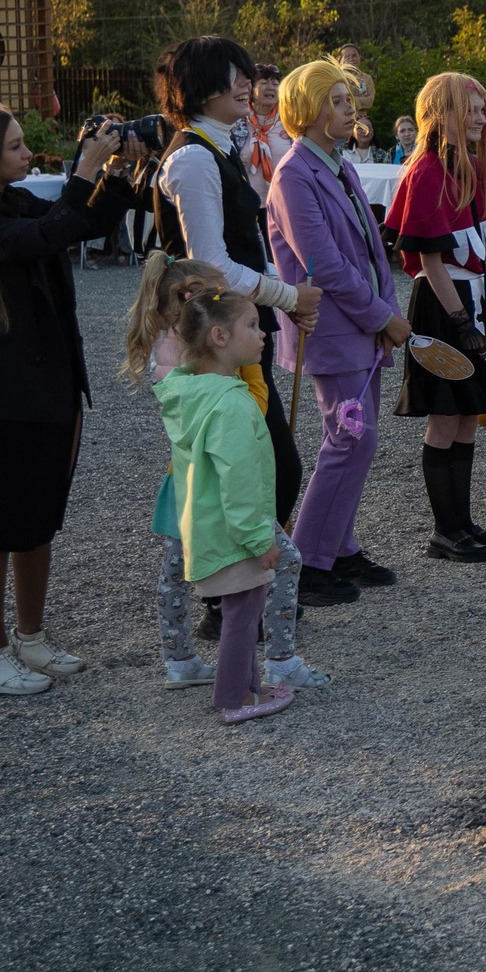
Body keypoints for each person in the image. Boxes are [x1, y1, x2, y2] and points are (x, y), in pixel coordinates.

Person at [0, 103, 137, 694]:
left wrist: (116, 171)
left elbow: (81, 222)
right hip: (7, 391)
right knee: (1, 521)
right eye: (14, 146)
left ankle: (30, 637)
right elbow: (50, 233)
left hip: (50, 381)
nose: (25, 152)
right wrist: (84, 169)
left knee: (40, 516)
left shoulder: (12, 201)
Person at [124, 256, 327, 695]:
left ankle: (180, 660)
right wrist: (251, 366)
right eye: (224, 295)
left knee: (176, 572)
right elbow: (250, 410)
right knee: (284, 559)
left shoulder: (175, 352)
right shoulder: (215, 364)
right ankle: (280, 660)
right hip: (216, 485)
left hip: (183, 481)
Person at [151, 38, 314, 543]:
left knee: (268, 464)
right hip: (210, 336)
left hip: (235, 328)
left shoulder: (220, 146)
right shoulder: (193, 159)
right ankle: (232, 582)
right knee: (253, 467)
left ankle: (253, 577)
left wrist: (283, 290)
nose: (247, 84)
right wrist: (289, 297)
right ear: (201, 87)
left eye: (246, 73)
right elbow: (212, 267)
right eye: (234, 74)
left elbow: (244, 247)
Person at [268, 60, 411, 601]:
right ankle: (309, 562)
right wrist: (383, 316)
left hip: (361, 326)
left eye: (348, 99)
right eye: (336, 101)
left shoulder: (339, 165)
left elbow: (373, 252)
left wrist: (384, 311)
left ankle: (340, 548)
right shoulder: (294, 174)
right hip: (331, 329)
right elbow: (323, 264)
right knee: (350, 438)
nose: (350, 109)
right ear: (306, 109)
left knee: (357, 439)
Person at [155, 285, 297, 724]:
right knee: (242, 616)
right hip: (235, 535)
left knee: (241, 611)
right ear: (219, 337)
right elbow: (240, 481)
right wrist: (258, 538)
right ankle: (236, 699)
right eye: (252, 325)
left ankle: (249, 687)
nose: (263, 333)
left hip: (208, 527)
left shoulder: (191, 392)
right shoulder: (232, 404)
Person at [381, 72, 486, 562]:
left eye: (481, 109)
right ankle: (445, 530)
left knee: (469, 416)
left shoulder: (476, 167)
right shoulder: (426, 171)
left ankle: (463, 522)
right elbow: (430, 259)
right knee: (445, 416)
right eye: (468, 109)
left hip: (473, 300)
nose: (479, 118)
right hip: (443, 304)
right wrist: (460, 321)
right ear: (441, 114)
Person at [238, 63, 290, 198]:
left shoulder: (290, 121)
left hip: (284, 200)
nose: (271, 87)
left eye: (275, 84)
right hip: (248, 203)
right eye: (264, 82)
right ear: (251, 88)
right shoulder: (237, 121)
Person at [333, 42, 375, 116]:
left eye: (354, 56)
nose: (351, 59)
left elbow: (369, 101)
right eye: (347, 57)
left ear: (359, 58)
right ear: (340, 61)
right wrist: (359, 101)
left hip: (361, 119)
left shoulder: (366, 78)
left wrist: (348, 100)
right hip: (342, 119)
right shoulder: (336, 78)